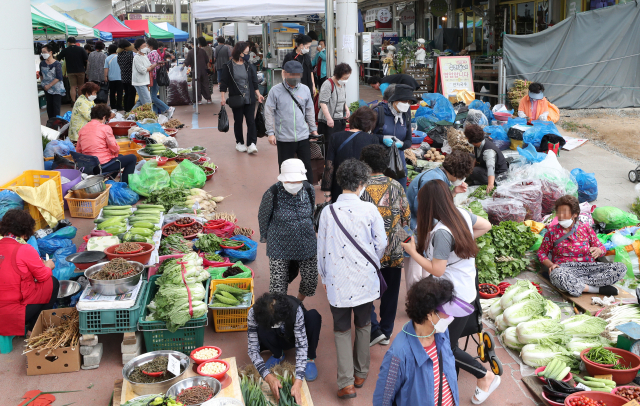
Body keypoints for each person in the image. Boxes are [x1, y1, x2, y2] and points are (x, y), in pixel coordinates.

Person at [401, 180, 500, 405]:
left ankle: (485, 376)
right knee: (443, 340)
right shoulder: (461, 214)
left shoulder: (442, 233)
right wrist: (462, 241)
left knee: (445, 346)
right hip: (464, 290)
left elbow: (437, 269)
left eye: (421, 201)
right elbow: (486, 226)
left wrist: (412, 251)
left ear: (429, 205)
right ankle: (450, 380)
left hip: (454, 298)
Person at [317, 158, 387, 399]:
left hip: (338, 279)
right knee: (364, 324)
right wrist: (371, 261)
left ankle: (345, 383)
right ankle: (361, 373)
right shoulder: (369, 209)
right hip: (365, 279)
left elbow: (322, 248)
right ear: (360, 184)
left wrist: (324, 276)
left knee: (341, 329)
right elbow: (382, 243)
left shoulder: (328, 212)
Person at [373, 278, 471, 406]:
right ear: (430, 314)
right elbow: (383, 400)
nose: (450, 317)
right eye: (446, 312)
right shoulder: (398, 354)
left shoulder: (442, 333)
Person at [359, 144, 411, 346]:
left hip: (368, 250)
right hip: (394, 249)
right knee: (391, 291)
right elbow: (406, 219)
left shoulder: (359, 188)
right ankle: (387, 331)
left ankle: (373, 329)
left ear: (364, 164)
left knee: (366, 290)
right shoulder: (397, 185)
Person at [538, 195, 627, 297]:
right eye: (559, 212)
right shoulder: (552, 231)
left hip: (589, 268)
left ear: (575, 214)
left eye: (564, 212)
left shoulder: (585, 228)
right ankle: (596, 289)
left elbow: (601, 247)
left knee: (620, 268)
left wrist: (598, 250)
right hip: (565, 269)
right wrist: (550, 265)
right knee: (556, 275)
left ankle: (573, 284)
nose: (561, 215)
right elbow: (541, 253)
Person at [258, 158, 318, 301]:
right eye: (290, 181)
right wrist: (265, 237)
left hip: (306, 242)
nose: (293, 184)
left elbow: (311, 213)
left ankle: (297, 302)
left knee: (310, 279)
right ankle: (279, 312)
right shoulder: (272, 193)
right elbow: (263, 216)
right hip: (279, 244)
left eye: (296, 181)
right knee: (278, 286)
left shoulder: (309, 189)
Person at [247, 292, 321, 403]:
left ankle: (309, 358)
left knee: (313, 316)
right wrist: (268, 377)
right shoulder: (254, 313)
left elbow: (301, 345)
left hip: (293, 336)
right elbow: (252, 349)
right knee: (262, 329)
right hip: (276, 337)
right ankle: (277, 354)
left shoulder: (295, 310)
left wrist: (298, 381)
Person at [0, 209, 58, 337]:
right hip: (12, 313)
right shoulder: (24, 249)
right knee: (51, 282)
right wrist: (48, 266)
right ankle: (33, 328)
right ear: (26, 232)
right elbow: (42, 276)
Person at [264, 60, 318, 183]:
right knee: (285, 168)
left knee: (306, 167)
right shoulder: (275, 91)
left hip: (303, 136)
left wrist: (313, 129)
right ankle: (286, 192)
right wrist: (270, 133)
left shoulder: (305, 89)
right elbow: (268, 112)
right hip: (284, 138)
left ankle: (308, 192)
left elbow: (309, 110)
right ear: (285, 73)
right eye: (292, 74)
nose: (295, 77)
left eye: (298, 74)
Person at [321, 107, 380, 202]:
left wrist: (327, 192)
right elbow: (374, 167)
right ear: (369, 124)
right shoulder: (372, 139)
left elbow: (329, 165)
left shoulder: (335, 137)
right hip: (362, 187)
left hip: (339, 186)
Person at [220, 41, 264, 154]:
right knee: (238, 121)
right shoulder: (228, 66)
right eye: (246, 52)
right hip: (236, 98)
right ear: (239, 53)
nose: (248, 54)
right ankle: (239, 142)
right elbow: (223, 83)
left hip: (250, 98)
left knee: (251, 121)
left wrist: (258, 95)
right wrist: (223, 97)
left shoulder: (249, 65)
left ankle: (251, 143)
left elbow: (254, 82)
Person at [372, 84, 416, 189]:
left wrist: (401, 144)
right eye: (404, 101)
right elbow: (367, 137)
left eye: (409, 102)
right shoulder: (379, 112)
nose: (406, 105)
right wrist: (382, 138)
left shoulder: (406, 114)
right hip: (379, 166)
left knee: (400, 198)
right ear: (394, 100)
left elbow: (408, 141)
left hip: (399, 167)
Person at [76, 104, 135, 181]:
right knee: (132, 158)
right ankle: (124, 185)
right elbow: (114, 148)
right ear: (104, 117)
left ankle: (110, 181)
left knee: (119, 157)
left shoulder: (83, 129)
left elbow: (78, 151)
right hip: (101, 166)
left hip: (88, 166)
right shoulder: (105, 128)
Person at [464, 124, 509, 193]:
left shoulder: (489, 152)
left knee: (476, 171)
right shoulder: (478, 143)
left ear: (473, 140)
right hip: (485, 167)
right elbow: (477, 157)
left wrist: (490, 184)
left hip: (498, 175)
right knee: (468, 156)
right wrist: (471, 168)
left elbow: (491, 168)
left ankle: (489, 182)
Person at [317, 63, 352, 147]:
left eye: (347, 78)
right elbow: (323, 103)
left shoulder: (342, 84)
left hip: (340, 120)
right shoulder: (328, 84)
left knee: (339, 144)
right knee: (329, 146)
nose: (346, 80)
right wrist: (329, 119)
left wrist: (346, 109)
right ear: (337, 75)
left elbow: (342, 99)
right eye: (344, 78)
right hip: (328, 122)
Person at [146, 38, 174, 117]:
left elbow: (154, 67)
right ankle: (155, 114)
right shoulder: (156, 54)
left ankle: (168, 108)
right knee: (152, 97)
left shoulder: (152, 54)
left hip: (154, 77)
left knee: (153, 97)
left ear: (150, 46)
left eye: (147, 45)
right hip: (156, 77)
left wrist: (152, 77)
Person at [56, 37, 88, 103]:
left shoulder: (65, 50)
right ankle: (80, 101)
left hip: (70, 71)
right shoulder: (81, 49)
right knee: (80, 86)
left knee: (73, 87)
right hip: (81, 70)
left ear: (68, 42)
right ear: (75, 42)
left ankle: (73, 101)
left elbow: (58, 58)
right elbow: (86, 60)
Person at [39, 43, 65, 119]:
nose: (43, 54)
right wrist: (43, 83)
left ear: (50, 52)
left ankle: (56, 122)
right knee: (49, 106)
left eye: (45, 52)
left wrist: (49, 85)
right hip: (46, 88)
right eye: (42, 52)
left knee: (56, 106)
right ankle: (50, 121)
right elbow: (41, 74)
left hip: (56, 88)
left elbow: (59, 77)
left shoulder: (57, 64)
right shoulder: (42, 63)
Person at [131, 39, 157, 111]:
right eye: (143, 46)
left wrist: (156, 64)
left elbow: (149, 66)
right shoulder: (137, 57)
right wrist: (149, 68)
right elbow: (142, 70)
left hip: (145, 81)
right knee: (147, 101)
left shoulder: (144, 56)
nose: (146, 47)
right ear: (138, 48)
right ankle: (151, 117)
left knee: (140, 102)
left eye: (146, 46)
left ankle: (129, 116)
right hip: (140, 82)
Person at [184, 37, 212, 104]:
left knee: (196, 85)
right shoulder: (202, 51)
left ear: (192, 44)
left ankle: (198, 100)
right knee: (205, 84)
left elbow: (187, 62)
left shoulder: (191, 52)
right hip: (204, 70)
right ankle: (208, 99)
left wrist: (181, 67)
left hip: (196, 70)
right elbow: (207, 61)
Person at [117, 40, 136, 112]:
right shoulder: (129, 55)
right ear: (126, 47)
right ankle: (130, 109)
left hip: (123, 76)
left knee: (126, 93)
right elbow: (132, 64)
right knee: (131, 94)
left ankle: (126, 108)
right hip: (130, 76)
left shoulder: (119, 55)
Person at [104, 44, 123, 111]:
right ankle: (119, 106)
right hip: (120, 77)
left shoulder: (107, 58)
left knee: (112, 92)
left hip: (111, 78)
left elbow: (106, 69)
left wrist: (105, 76)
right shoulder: (120, 57)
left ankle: (113, 106)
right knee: (119, 93)